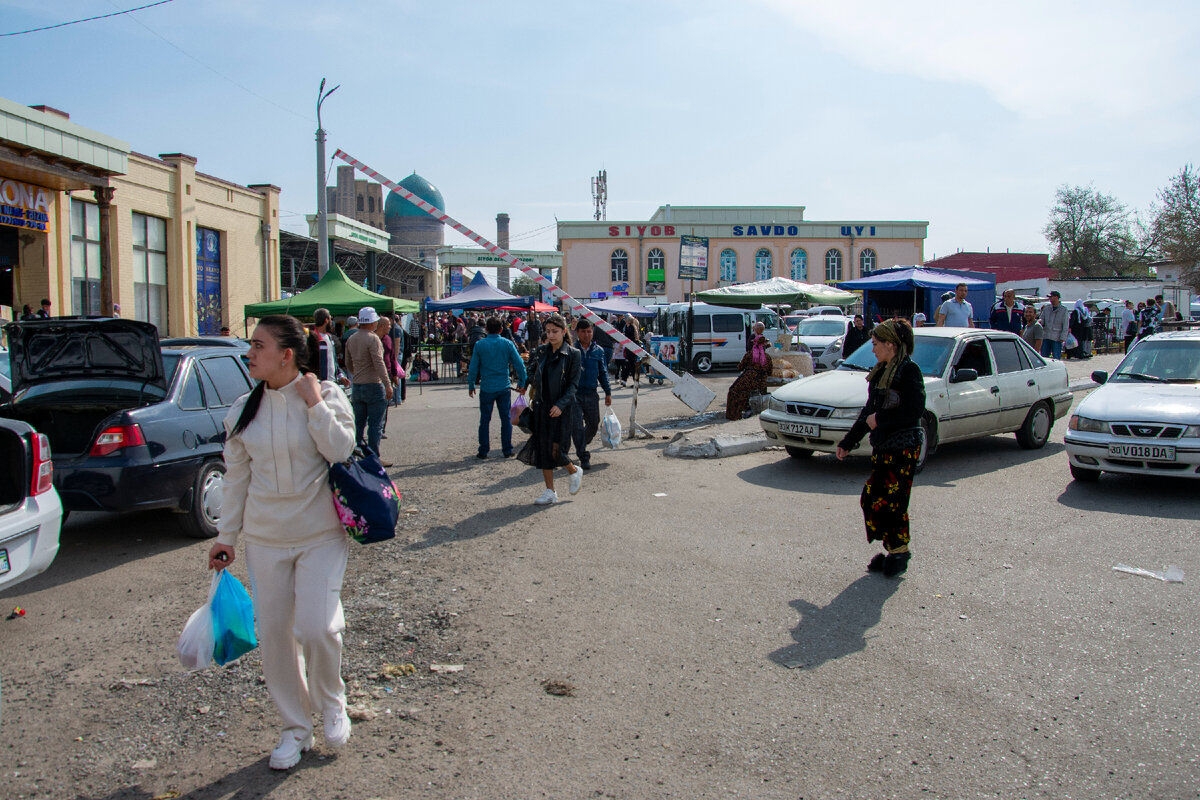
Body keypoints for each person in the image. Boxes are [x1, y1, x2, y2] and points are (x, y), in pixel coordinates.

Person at [207, 314, 357, 770]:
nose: (249, 353)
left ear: (286, 354)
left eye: (257, 345)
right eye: (251, 345)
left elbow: (341, 450)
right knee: (274, 636)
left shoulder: (327, 395)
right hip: (266, 540)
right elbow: (236, 481)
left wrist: (314, 404)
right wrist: (226, 537)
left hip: (321, 536)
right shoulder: (242, 411)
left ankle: (332, 701)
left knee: (316, 628)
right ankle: (295, 728)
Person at [835, 319, 925, 578]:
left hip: (904, 447)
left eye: (875, 344)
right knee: (872, 499)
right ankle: (892, 548)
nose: (872, 349)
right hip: (884, 445)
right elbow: (868, 411)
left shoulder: (909, 371)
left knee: (893, 503)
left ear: (891, 345)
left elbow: (915, 409)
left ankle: (899, 553)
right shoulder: (880, 371)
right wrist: (848, 442)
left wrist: (881, 420)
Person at [517, 313, 582, 505]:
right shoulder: (540, 352)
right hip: (541, 406)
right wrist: (525, 383)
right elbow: (531, 371)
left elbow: (573, 385)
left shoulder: (573, 354)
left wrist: (561, 405)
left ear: (564, 331)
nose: (551, 335)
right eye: (548, 331)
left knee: (556, 450)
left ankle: (574, 470)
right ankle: (550, 492)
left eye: (555, 331)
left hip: (561, 409)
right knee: (543, 450)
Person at [467, 316, 527, 459]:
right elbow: (519, 364)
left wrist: (471, 384)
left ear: (486, 329)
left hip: (487, 387)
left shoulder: (480, 345)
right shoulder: (507, 344)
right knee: (505, 419)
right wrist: (522, 381)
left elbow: (473, 367)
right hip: (503, 387)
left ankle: (483, 450)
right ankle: (507, 449)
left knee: (485, 420)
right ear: (501, 329)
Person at [343, 306, 393, 465]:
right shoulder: (373, 339)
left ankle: (354, 455)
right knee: (375, 425)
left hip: (358, 385)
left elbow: (347, 362)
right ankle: (374, 458)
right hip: (373, 384)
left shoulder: (352, 338)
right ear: (373, 322)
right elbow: (379, 363)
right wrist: (387, 384)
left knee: (358, 423)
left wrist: (356, 373)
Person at [569, 318, 612, 469]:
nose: (586, 335)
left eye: (589, 331)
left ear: (593, 332)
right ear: (577, 333)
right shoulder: (571, 351)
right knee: (578, 427)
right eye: (583, 332)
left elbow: (603, 372)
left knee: (593, 425)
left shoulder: (598, 351)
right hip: (574, 394)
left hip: (592, 394)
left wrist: (608, 392)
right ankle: (583, 456)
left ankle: (580, 442)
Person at [726, 322, 772, 421]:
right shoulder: (767, 357)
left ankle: (734, 415)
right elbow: (770, 371)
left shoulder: (750, 354)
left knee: (733, 390)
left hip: (749, 379)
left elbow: (740, 367)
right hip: (761, 382)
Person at [306, 308, 339, 382]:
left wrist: (340, 375)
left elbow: (333, 359)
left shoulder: (329, 337)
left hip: (332, 381)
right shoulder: (312, 337)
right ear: (326, 320)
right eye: (330, 319)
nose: (331, 322)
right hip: (320, 382)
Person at [1039, 291, 1069, 359]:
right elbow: (1041, 320)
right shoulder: (1046, 308)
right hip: (1046, 336)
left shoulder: (1063, 310)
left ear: (1056, 297)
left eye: (1051, 296)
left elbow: (1065, 325)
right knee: (1044, 358)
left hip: (1057, 338)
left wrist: (1063, 337)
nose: (1050, 298)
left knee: (1056, 358)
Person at [619, 315, 641, 385]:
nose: (624, 320)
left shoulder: (630, 327)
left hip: (631, 348)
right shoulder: (630, 327)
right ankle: (625, 380)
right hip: (630, 347)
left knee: (631, 365)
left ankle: (633, 381)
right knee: (629, 364)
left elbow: (630, 338)